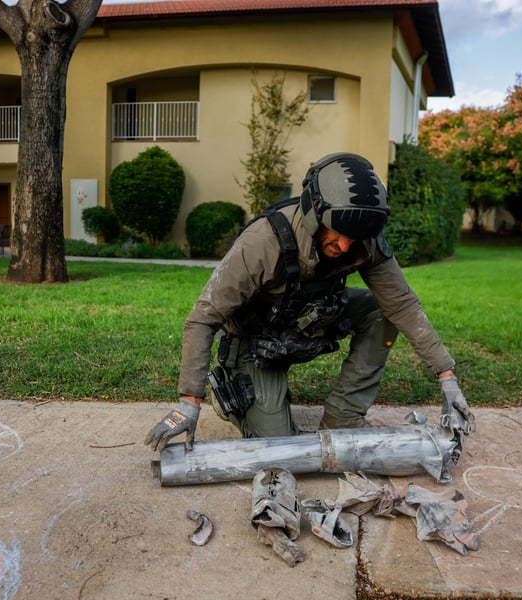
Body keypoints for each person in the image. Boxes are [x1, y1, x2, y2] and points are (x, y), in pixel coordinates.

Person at [145, 152, 475, 452]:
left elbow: (402, 304)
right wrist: (189, 401)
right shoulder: (264, 241)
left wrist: (447, 379)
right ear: (315, 211)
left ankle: (343, 418)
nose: (346, 246)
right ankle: (238, 397)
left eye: (355, 237)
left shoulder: (364, 241)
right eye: (338, 232)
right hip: (257, 342)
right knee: (281, 447)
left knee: (381, 310)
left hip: (309, 321)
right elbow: (204, 317)